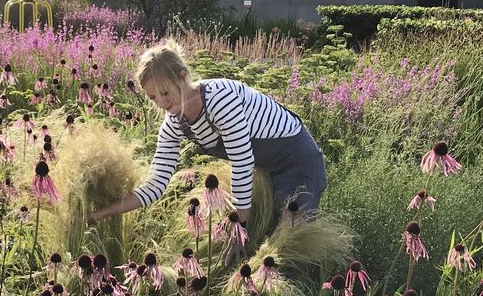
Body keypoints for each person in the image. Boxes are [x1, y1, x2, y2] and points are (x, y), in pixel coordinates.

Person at [88, 41, 327, 224]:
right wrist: (99, 214)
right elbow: (156, 184)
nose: (161, 102)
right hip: (264, 170)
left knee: (293, 236)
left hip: (298, 162)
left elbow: (241, 162)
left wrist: (239, 226)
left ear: (182, 77)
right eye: (152, 97)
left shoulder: (219, 99)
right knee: (266, 233)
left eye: (164, 92)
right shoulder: (175, 123)